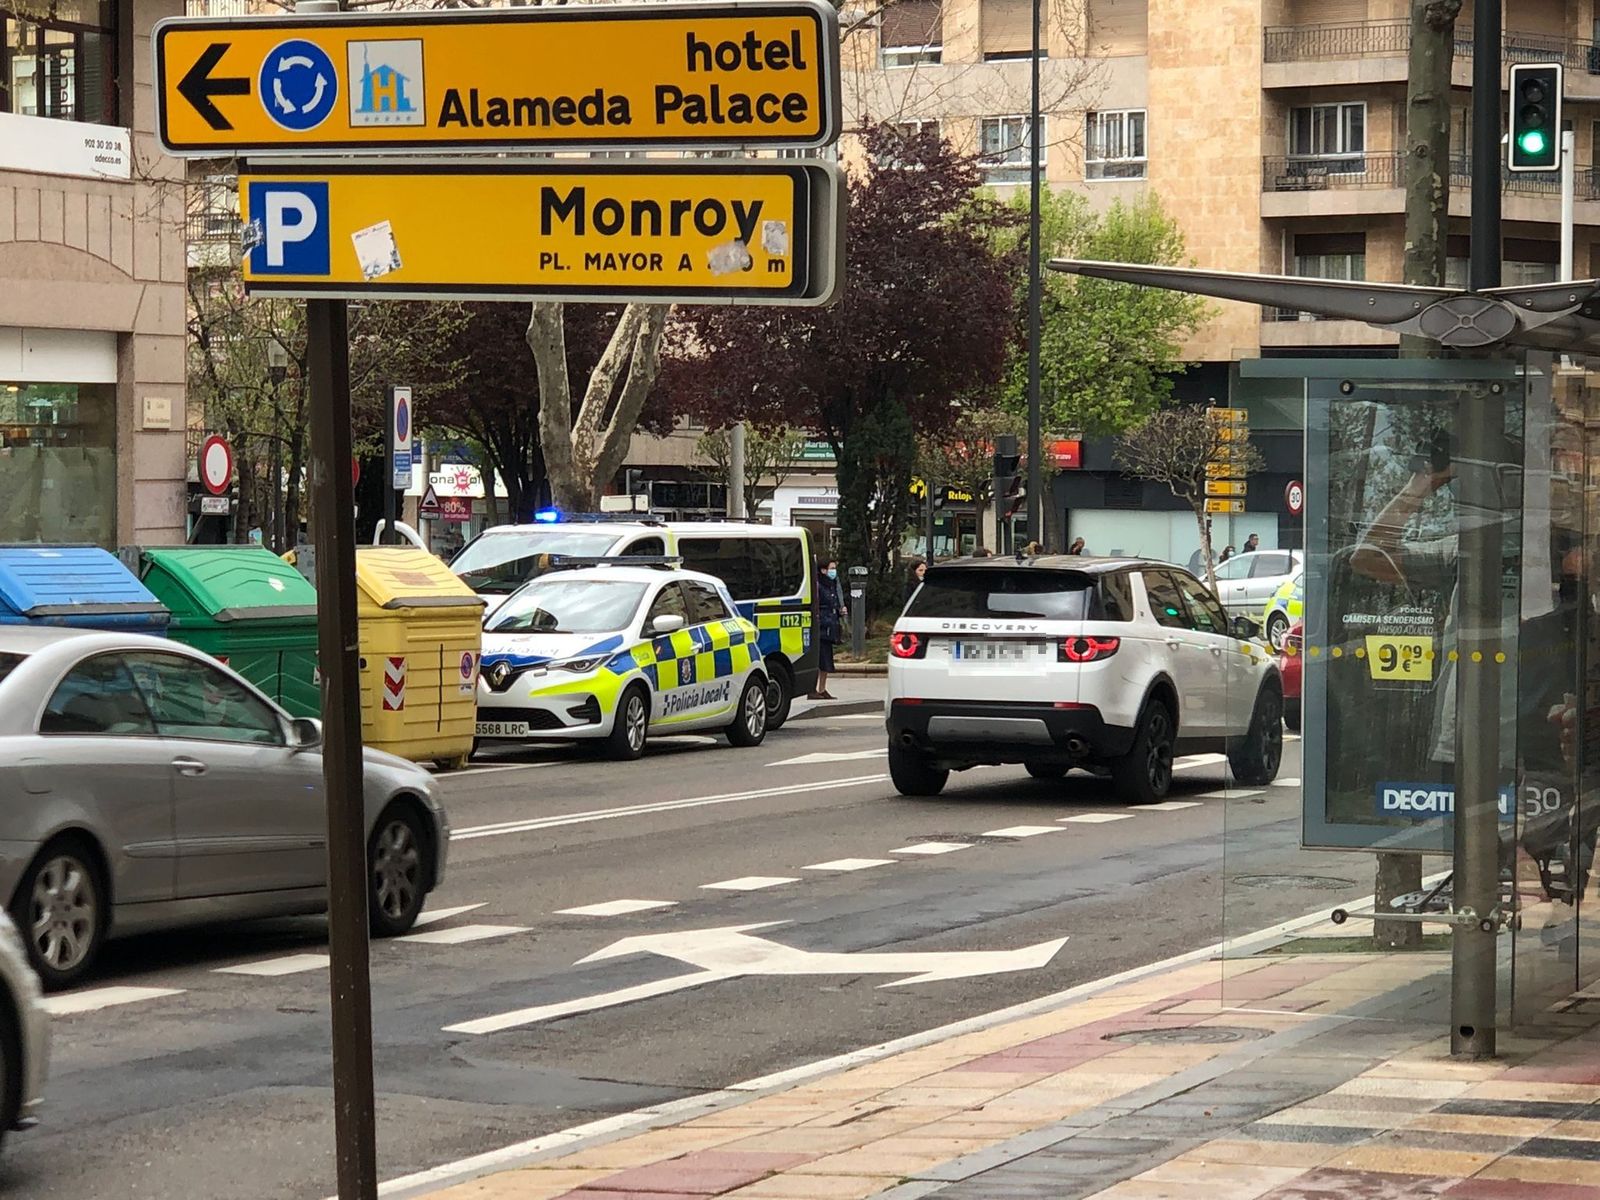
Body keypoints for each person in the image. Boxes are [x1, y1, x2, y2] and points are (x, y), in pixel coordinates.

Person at [811, 558, 847, 700]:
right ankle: (814, 689)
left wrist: (839, 611)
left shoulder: (830, 585)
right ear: (823, 570)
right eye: (831, 568)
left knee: (826, 661)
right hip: (822, 628)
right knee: (820, 660)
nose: (834, 571)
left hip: (829, 627)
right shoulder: (818, 586)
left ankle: (822, 689)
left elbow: (833, 604)